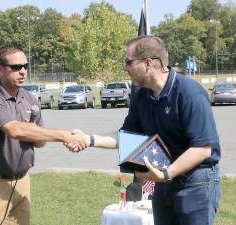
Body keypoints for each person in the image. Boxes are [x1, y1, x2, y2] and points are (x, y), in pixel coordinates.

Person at [67, 36, 221, 225]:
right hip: (164, 179)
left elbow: (203, 148)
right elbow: (127, 137)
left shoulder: (189, 93)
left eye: (129, 62)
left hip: (196, 182)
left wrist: (166, 174)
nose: (126, 67)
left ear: (148, 63)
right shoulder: (141, 95)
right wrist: (89, 139)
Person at [0, 45, 87, 225]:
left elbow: (39, 143)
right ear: (0, 69)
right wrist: (63, 135)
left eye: (25, 66)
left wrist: (35, 133)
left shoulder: (29, 98)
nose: (23, 71)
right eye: (16, 67)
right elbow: (14, 130)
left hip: (22, 181)